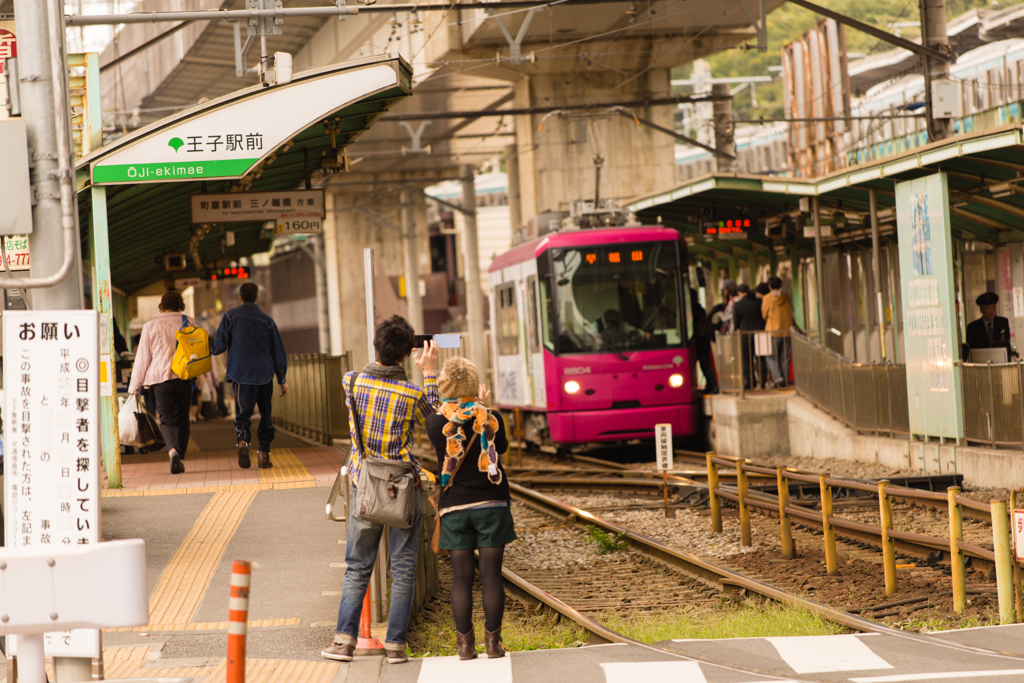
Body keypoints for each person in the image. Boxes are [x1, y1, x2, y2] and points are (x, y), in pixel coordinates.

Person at [321, 316, 439, 665]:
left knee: (358, 565)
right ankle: (396, 647)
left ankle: (344, 643)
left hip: (365, 485)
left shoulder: (351, 382)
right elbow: (435, 423)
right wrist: (429, 374)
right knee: (403, 568)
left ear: (376, 346)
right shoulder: (413, 392)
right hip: (403, 488)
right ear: (406, 353)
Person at [425, 358, 513, 661]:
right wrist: (482, 407)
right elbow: (499, 449)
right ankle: (493, 644)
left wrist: (427, 373)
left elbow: (434, 407)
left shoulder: (437, 422)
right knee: (491, 576)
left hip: (455, 509)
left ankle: (465, 647)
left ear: (444, 386)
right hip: (492, 505)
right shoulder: (490, 417)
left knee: (461, 578)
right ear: (476, 387)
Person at [210, 282, 288, 469]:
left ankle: (243, 442)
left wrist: (203, 346)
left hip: (241, 373)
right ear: (257, 298)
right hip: (264, 373)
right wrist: (282, 379)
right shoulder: (268, 321)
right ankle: (263, 454)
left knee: (243, 414)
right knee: (265, 414)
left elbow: (218, 346)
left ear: (240, 297)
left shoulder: (230, 316)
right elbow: (278, 352)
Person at [128, 290, 195, 475]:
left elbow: (143, 358)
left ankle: (172, 451)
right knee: (182, 418)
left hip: (161, 379)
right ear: (180, 305)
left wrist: (135, 387)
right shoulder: (189, 322)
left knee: (166, 419)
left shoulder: (151, 325)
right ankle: (180, 457)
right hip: (184, 377)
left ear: (162, 306)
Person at [732, 283, 768, 389]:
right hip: (759, 334)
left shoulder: (738, 305)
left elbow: (736, 322)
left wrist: (736, 332)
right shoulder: (759, 302)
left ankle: (750, 382)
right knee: (760, 359)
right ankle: (762, 382)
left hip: (745, 335)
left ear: (740, 293)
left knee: (747, 360)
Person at [762, 276, 795, 388]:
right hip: (786, 331)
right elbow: (791, 311)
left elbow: (763, 314)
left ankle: (777, 378)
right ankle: (785, 381)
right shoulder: (786, 296)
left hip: (772, 332)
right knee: (785, 357)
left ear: (769, 287)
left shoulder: (767, 298)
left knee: (771, 357)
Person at [966, 292, 1013, 358]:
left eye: (993, 307)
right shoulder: (973, 327)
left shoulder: (1002, 322)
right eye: (988, 308)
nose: (991, 311)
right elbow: (971, 350)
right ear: (981, 309)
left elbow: (1006, 344)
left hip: (1000, 360)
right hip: (981, 362)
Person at [690, 289, 717, 394]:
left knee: (701, 365)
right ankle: (712, 384)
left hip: (698, 342)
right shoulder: (700, 308)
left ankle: (711, 384)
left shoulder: (692, 310)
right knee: (705, 364)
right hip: (704, 342)